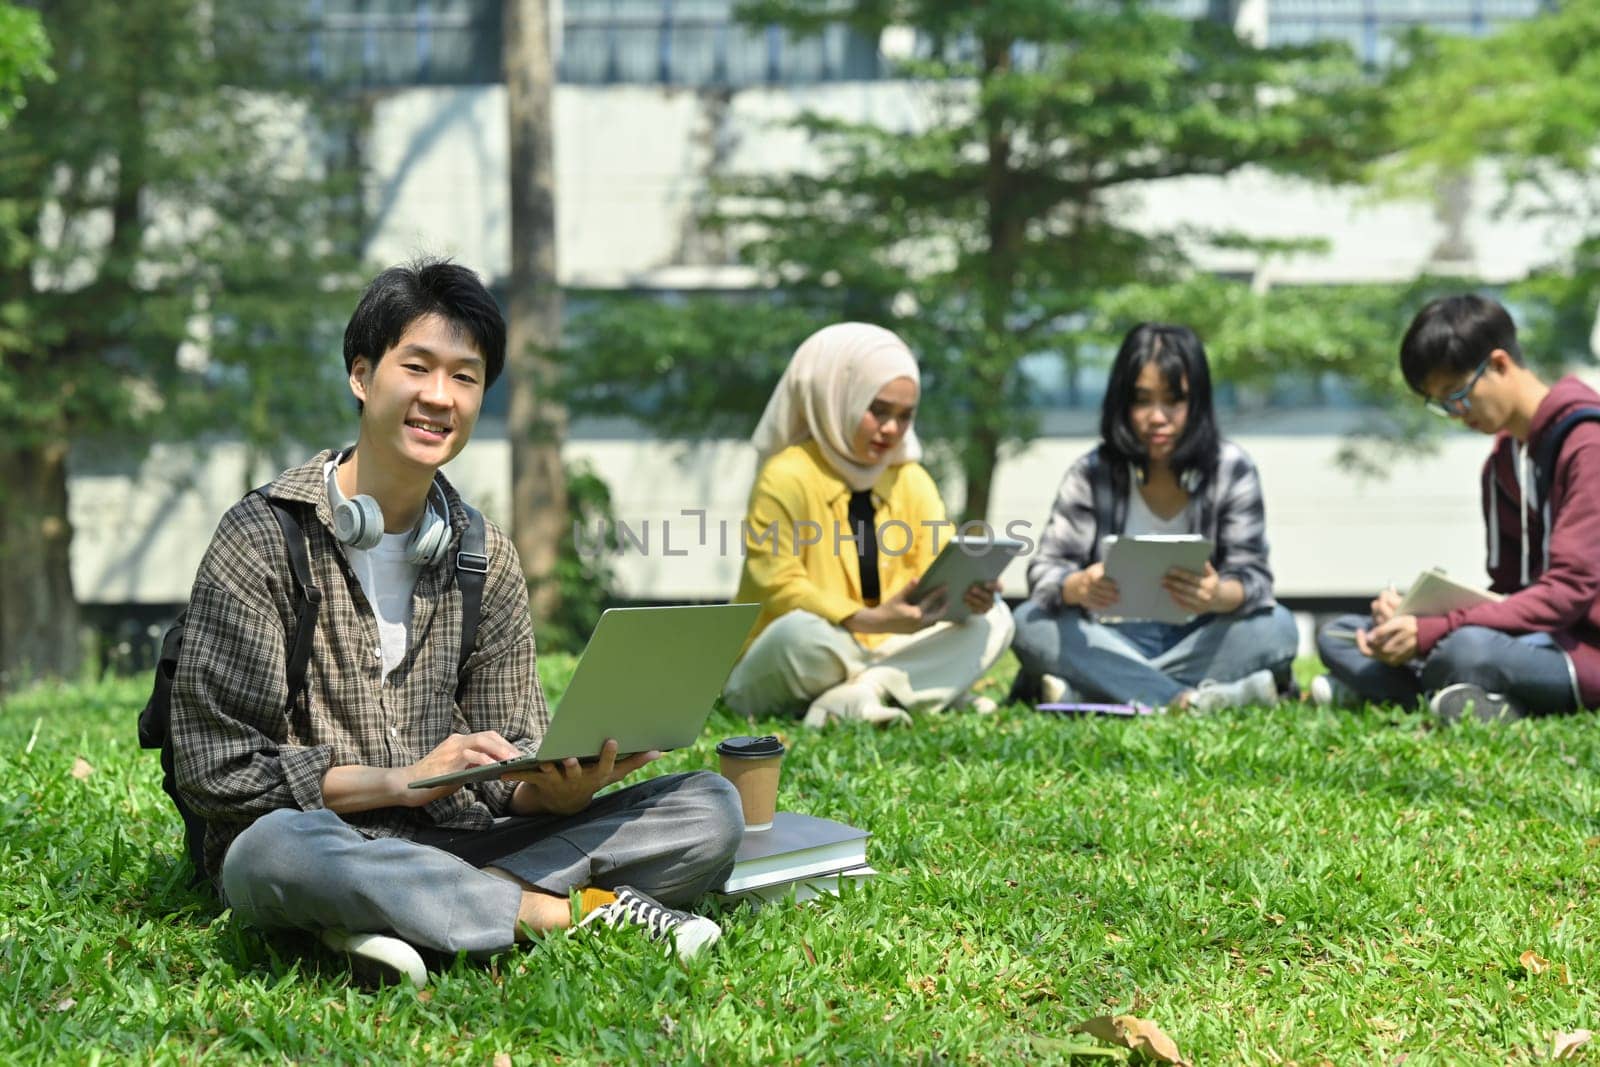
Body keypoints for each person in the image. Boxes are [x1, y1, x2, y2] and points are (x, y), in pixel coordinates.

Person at [170, 260, 743, 986]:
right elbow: (215, 773)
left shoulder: (484, 554)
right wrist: (399, 781)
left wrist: (555, 791)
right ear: (361, 375)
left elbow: (512, 763)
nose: (440, 397)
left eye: (465, 377)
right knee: (270, 852)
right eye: (418, 367)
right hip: (324, 841)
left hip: (468, 847)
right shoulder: (261, 539)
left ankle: (399, 917)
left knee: (708, 807)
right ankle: (567, 912)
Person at [1313, 294, 1600, 721]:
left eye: (1457, 395)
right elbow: (1507, 589)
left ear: (1500, 364)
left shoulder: (1586, 444)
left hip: (1583, 649)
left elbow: (1569, 591)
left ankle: (1414, 690)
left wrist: (1436, 630)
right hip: (1528, 640)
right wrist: (1415, 615)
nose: (1454, 414)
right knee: (1339, 634)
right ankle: (1482, 700)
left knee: (1465, 648)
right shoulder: (1502, 464)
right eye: (1441, 404)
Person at [721, 322, 1015, 727]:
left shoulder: (910, 477)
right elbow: (778, 585)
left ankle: (859, 696)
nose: (891, 429)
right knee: (803, 635)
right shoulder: (786, 475)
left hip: (888, 644)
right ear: (837, 400)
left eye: (905, 416)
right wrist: (866, 619)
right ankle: (913, 688)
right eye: (878, 411)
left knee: (996, 618)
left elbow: (940, 560)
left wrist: (969, 591)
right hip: (801, 655)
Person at [1010, 323, 1298, 712]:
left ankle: (1104, 689)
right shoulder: (1091, 472)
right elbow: (1045, 571)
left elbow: (1255, 581)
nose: (1157, 418)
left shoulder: (1232, 468)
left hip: (1200, 636)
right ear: (1121, 404)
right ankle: (1185, 699)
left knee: (1277, 627)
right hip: (1110, 635)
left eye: (1173, 401)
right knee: (1030, 623)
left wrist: (1216, 595)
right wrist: (1078, 586)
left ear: (1196, 403)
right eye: (1142, 401)